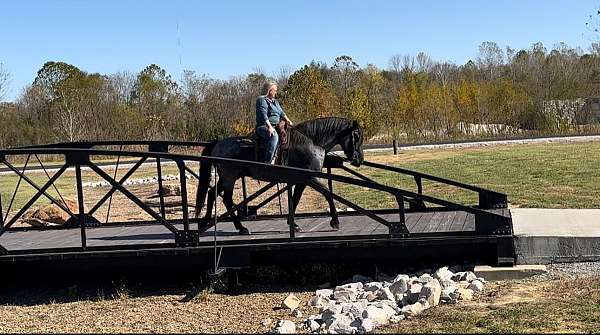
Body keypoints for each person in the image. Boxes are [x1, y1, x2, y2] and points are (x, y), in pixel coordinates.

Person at [255, 81, 293, 163]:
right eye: (275, 90)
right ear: (269, 90)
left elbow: (282, 112)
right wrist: (269, 127)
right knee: (274, 136)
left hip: (277, 126)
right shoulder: (262, 100)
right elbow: (263, 115)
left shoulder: (275, 101)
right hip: (263, 126)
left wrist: (288, 121)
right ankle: (268, 162)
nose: (276, 92)